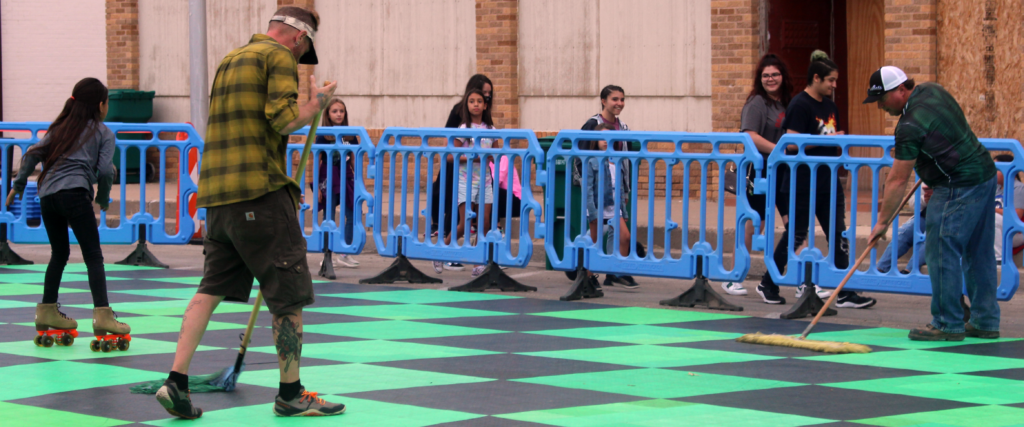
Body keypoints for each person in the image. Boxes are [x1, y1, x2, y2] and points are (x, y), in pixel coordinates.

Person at [155, 7, 345, 418]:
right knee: (288, 294)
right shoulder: (276, 58)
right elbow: (280, 121)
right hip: (259, 191)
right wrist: (315, 105)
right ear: (298, 38)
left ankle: (176, 381)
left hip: (218, 196)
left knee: (210, 289)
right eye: (304, 50)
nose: (300, 57)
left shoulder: (231, 58)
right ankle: (290, 393)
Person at [865, 65, 1000, 341]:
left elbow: (897, 180)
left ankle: (947, 322)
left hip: (957, 185)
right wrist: (932, 172)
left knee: (940, 250)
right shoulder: (932, 90)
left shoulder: (908, 125)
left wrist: (881, 223)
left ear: (901, 90)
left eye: (882, 99)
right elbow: (947, 133)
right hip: (983, 174)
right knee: (979, 251)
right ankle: (985, 321)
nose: (880, 106)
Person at [6, 77, 130, 347]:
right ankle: (103, 316)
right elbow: (107, 170)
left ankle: (47, 310)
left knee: (59, 253)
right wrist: (104, 197)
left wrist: (17, 186)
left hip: (47, 195)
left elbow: (31, 156)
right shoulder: (103, 132)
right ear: (101, 105)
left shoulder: (60, 127)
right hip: (75, 194)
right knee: (93, 256)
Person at [758, 50, 877, 309]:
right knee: (797, 234)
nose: (834, 85)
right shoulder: (800, 105)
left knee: (838, 234)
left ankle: (844, 291)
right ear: (816, 78)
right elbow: (791, 144)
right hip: (801, 182)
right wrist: (830, 140)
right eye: (830, 80)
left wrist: (838, 145)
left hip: (828, 181)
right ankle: (768, 282)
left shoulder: (829, 106)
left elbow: (831, 139)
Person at [721, 54, 795, 296]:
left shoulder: (787, 102)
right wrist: (778, 151)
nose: (770, 79)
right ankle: (733, 277)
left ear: (783, 76)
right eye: (765, 75)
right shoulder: (756, 103)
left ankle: (800, 280)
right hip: (759, 171)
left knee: (795, 224)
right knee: (754, 225)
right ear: (759, 79)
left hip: (783, 171)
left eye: (774, 74)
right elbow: (749, 135)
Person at [430, 74, 494, 273]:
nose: (476, 105)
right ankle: (440, 253)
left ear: (485, 105)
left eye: (480, 101)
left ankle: (478, 262)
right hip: (466, 181)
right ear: (466, 105)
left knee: (483, 224)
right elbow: (450, 156)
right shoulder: (463, 128)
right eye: (472, 101)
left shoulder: (490, 128)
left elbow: (495, 153)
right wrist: (472, 157)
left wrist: (488, 157)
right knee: (465, 223)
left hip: (485, 182)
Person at [584, 123, 639, 289]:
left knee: (625, 237)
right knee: (594, 242)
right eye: (602, 138)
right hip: (597, 206)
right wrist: (592, 211)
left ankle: (616, 272)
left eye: (609, 137)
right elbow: (588, 189)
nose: (605, 141)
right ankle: (588, 276)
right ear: (595, 140)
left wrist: (623, 205)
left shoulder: (618, 160)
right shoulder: (591, 160)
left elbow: (621, 185)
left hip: (614, 207)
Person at [315, 97, 359, 269]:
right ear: (327, 114)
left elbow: (354, 159)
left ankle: (344, 253)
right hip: (329, 176)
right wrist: (318, 185)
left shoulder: (351, 134)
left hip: (346, 176)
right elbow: (316, 159)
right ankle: (328, 254)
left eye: (341, 111)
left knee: (351, 213)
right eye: (334, 111)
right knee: (329, 216)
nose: (338, 114)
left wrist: (359, 179)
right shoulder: (323, 135)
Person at [876, 184, 930, 274]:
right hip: (926, 216)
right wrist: (924, 199)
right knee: (904, 232)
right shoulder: (928, 176)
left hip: (947, 220)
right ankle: (880, 269)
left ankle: (909, 271)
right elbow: (912, 203)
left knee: (930, 235)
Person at [992, 154, 1024, 262]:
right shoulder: (996, 188)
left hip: (1015, 233)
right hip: (997, 229)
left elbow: (1017, 215)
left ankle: (999, 259)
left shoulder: (1018, 188)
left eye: (997, 169)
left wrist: (993, 209)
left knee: (993, 218)